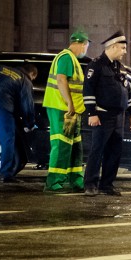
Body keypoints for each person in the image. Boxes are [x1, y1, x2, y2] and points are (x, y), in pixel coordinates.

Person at [83, 30, 131, 196]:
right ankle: (90, 184)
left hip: (118, 117)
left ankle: (107, 184)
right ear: (113, 47)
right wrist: (91, 113)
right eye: (122, 48)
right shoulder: (96, 65)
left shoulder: (119, 67)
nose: (125, 51)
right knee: (97, 150)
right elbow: (88, 90)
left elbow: (126, 92)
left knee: (114, 152)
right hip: (102, 115)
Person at [42, 29, 90, 193]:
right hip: (62, 109)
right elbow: (61, 80)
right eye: (86, 46)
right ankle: (53, 181)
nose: (86, 49)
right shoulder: (66, 58)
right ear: (82, 44)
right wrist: (69, 103)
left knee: (74, 146)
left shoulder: (71, 59)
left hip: (71, 110)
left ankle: (75, 179)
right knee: (61, 144)